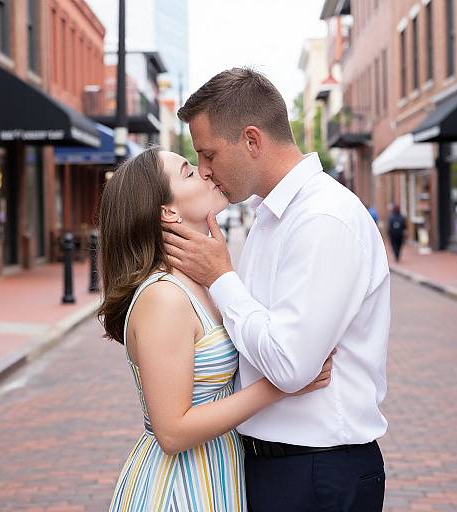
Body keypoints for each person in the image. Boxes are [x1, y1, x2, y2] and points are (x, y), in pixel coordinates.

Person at [164, 68, 390, 511]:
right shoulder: (272, 217)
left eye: (208, 154)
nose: (205, 171)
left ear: (252, 140)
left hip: (317, 472)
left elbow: (290, 365)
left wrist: (221, 278)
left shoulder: (322, 218)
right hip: (277, 467)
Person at [97, 147, 334, 512]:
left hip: (217, 470)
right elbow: (172, 432)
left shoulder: (200, 283)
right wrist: (282, 385)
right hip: (180, 486)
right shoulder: (164, 297)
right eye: (188, 172)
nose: (205, 173)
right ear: (167, 212)